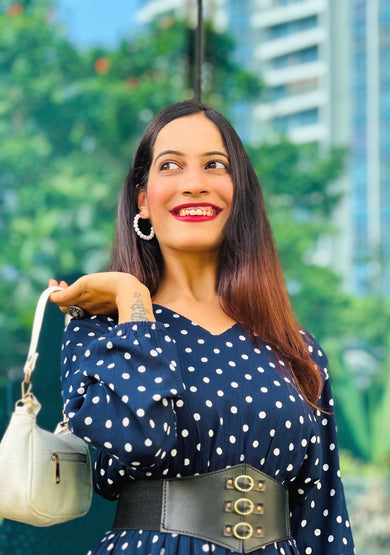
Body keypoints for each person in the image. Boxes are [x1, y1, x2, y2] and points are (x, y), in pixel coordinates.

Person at [49, 100, 355, 555]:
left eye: (215, 166)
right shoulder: (100, 329)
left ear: (239, 192)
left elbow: (323, 513)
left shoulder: (298, 350)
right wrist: (133, 300)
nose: (195, 184)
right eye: (170, 165)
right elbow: (142, 441)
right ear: (142, 199)